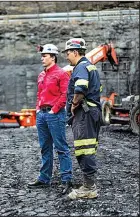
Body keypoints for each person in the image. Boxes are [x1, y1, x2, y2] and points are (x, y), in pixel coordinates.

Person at [27, 44, 73, 195]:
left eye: (45, 55)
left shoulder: (61, 74)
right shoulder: (41, 75)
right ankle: (44, 178)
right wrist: (38, 108)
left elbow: (65, 94)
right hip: (42, 115)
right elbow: (40, 94)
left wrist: (54, 110)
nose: (42, 58)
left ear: (53, 57)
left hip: (55, 115)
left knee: (61, 147)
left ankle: (67, 179)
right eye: (42, 55)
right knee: (45, 147)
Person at [62, 38, 102, 199]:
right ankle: (89, 184)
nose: (66, 56)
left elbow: (80, 88)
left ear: (75, 52)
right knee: (89, 148)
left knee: (84, 149)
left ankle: (89, 188)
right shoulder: (90, 67)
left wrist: (73, 104)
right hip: (91, 112)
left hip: (84, 113)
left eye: (68, 53)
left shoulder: (80, 67)